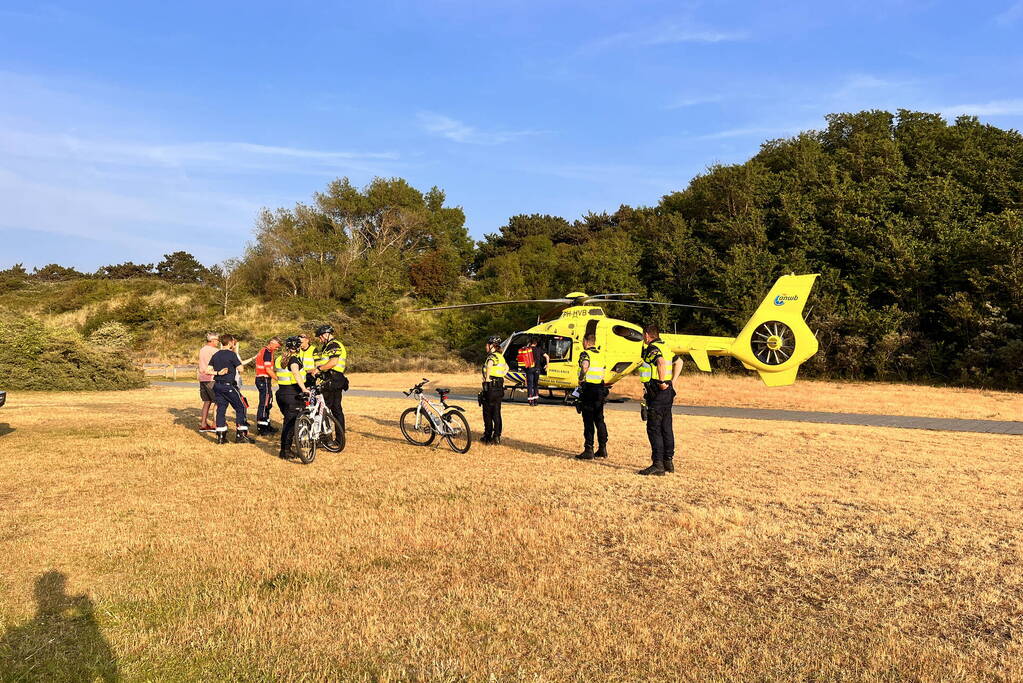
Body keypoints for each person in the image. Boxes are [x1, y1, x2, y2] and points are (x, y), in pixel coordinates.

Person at [638, 324, 683, 475]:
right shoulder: (666, 347)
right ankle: (668, 461)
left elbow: (661, 362)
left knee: (654, 428)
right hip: (667, 393)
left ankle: (658, 464)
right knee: (666, 427)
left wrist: (662, 382)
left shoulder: (652, 349)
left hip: (657, 392)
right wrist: (672, 382)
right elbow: (679, 362)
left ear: (647, 335)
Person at [205, 333, 252, 444]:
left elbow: (207, 370)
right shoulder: (231, 355)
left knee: (221, 409)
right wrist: (235, 354)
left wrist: (217, 372)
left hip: (217, 385)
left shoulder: (216, 355)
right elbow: (241, 369)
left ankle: (221, 436)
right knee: (241, 407)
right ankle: (241, 435)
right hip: (228, 385)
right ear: (231, 342)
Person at [274, 336, 310, 459]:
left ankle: (286, 448)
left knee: (288, 422)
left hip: (281, 393)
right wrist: (304, 389)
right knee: (290, 424)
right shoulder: (294, 359)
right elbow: (295, 373)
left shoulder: (279, 358)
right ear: (298, 347)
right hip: (292, 394)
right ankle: (285, 451)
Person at [575, 333, 609, 460]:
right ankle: (602, 448)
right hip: (600, 389)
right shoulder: (600, 354)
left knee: (588, 420)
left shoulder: (585, 354)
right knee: (599, 419)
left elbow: (584, 366)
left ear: (586, 341)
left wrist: (580, 378)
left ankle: (589, 449)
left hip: (589, 389)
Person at [313, 324, 348, 439]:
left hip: (334, 379)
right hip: (330, 378)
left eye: (320, 337)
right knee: (328, 408)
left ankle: (335, 439)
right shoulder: (327, 346)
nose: (320, 339)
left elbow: (333, 362)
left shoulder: (333, 345)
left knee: (333, 409)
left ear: (326, 334)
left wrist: (319, 369)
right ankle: (330, 437)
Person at [480, 335, 508, 444]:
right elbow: (507, 368)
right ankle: (497, 436)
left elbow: (489, 366)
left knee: (487, 412)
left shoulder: (491, 357)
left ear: (492, 346)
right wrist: (501, 375)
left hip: (491, 386)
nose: (486, 347)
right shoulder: (500, 356)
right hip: (499, 386)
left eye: (487, 345)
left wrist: (487, 379)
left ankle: (487, 436)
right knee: (497, 412)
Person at [254, 337, 281, 435]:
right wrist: (278, 379)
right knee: (265, 403)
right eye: (277, 346)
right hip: (263, 379)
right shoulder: (267, 352)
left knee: (268, 402)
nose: (277, 348)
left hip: (263, 379)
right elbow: (268, 370)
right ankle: (262, 428)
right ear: (272, 343)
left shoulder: (265, 350)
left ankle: (267, 424)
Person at [196, 332, 220, 432]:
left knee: (207, 402)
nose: (218, 342)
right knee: (218, 401)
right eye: (217, 340)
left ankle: (203, 424)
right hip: (212, 378)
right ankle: (215, 423)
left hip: (202, 378)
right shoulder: (215, 351)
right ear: (213, 340)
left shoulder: (202, 349)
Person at [528, 336, 548, 405]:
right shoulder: (539, 349)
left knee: (530, 385)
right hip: (537, 369)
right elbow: (547, 356)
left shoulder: (528, 349)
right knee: (536, 385)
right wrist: (547, 365)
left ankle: (531, 401)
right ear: (536, 343)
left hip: (530, 369)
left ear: (530, 343)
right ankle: (536, 401)